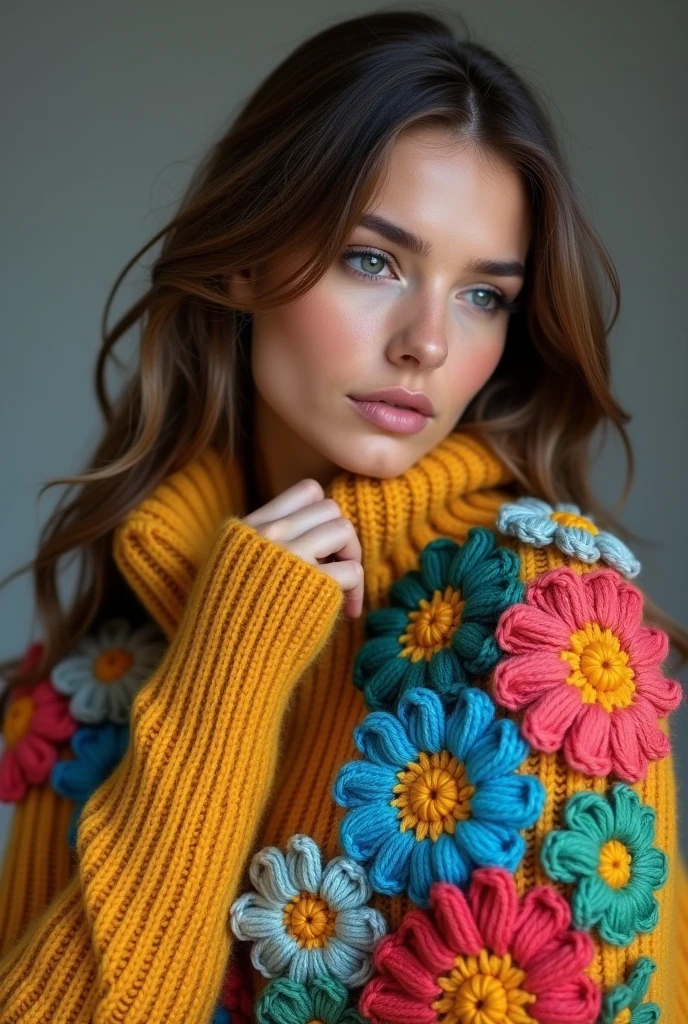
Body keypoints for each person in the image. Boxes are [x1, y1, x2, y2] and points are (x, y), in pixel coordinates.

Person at [0, 9, 686, 1024]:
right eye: (374, 260)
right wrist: (217, 685)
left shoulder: (548, 635)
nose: (427, 343)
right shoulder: (93, 674)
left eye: (483, 296)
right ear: (242, 260)